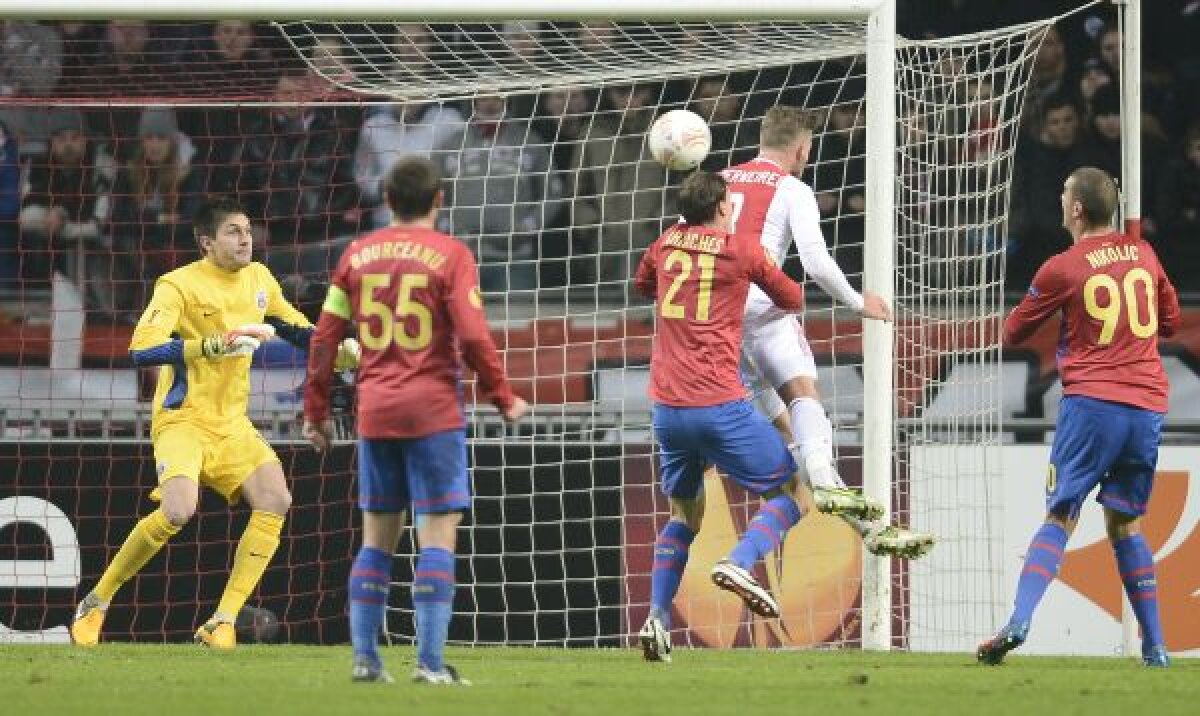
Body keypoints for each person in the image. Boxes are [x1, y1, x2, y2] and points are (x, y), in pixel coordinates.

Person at [69, 196, 359, 649]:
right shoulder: (178, 285)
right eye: (233, 232)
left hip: (232, 424)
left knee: (276, 498)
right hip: (183, 420)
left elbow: (297, 330)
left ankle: (221, 622)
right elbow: (141, 349)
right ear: (207, 243)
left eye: (247, 231)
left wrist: (340, 352)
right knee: (178, 511)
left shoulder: (260, 279)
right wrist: (207, 346)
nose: (245, 239)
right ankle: (96, 602)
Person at [303, 157, 528, 685]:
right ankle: (429, 664)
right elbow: (472, 335)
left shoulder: (356, 254)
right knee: (437, 538)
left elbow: (325, 337)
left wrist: (316, 411)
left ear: (386, 199)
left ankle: (365, 660)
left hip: (375, 411)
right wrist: (502, 396)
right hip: (433, 412)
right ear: (439, 199)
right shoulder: (451, 255)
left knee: (376, 540)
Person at [632, 171, 866, 664]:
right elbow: (793, 297)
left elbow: (642, 285)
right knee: (794, 493)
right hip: (719, 405)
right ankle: (739, 562)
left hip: (668, 410)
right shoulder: (741, 249)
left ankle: (656, 617)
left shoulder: (664, 243)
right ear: (723, 207)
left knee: (683, 515)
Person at [977, 167, 1180, 668]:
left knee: (1061, 515)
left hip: (1093, 405)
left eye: (1063, 192)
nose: (1059, 198)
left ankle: (1018, 620)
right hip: (1147, 407)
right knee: (1126, 523)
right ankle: (1156, 647)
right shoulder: (1145, 253)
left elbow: (1013, 333)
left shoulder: (1063, 268)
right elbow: (1171, 322)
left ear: (1076, 209)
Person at [721, 106, 933, 558]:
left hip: (718, 320)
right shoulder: (792, 188)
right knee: (803, 397)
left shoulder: (719, 181)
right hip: (763, 309)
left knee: (792, 433)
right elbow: (815, 262)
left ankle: (870, 531)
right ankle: (824, 480)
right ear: (803, 148)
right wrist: (858, 302)